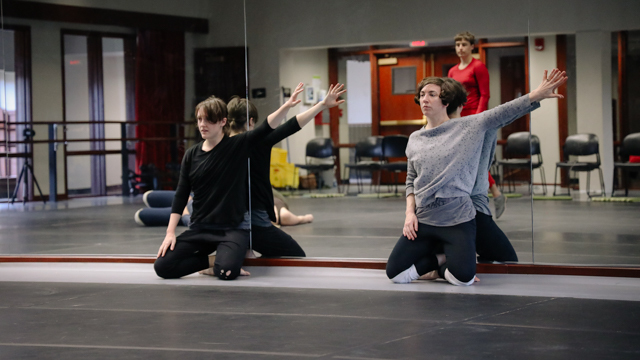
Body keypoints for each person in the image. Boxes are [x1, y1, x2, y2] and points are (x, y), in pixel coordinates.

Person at [385, 69, 567, 286]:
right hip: (424, 218)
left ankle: (441, 261)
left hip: (458, 216)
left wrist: (536, 95)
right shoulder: (415, 138)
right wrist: (409, 214)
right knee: (395, 274)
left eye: (431, 94)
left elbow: (503, 112)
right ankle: (439, 258)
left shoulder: (468, 127)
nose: (425, 98)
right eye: (422, 94)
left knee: (464, 279)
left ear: (445, 101)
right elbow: (411, 179)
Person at [198, 83, 344, 264]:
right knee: (296, 255)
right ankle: (229, 256)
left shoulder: (220, 145)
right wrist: (321, 105)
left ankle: (242, 250)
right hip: (255, 224)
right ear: (251, 121)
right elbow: (292, 125)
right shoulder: (258, 141)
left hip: (226, 222)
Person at [153, 93, 294, 281]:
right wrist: (170, 232)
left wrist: (287, 106)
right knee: (163, 267)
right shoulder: (191, 154)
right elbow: (181, 194)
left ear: (222, 121)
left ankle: (222, 262)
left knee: (226, 272)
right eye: (200, 119)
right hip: (201, 229)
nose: (203, 124)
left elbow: (266, 127)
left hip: (231, 230)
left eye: (209, 120)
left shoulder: (236, 146)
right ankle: (211, 261)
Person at [448, 31, 507, 218]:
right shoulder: (452, 71)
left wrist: (478, 119)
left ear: (472, 46)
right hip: (457, 118)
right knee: (463, 158)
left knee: (475, 158)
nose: (460, 48)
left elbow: (485, 94)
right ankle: (494, 193)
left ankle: (492, 194)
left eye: (464, 44)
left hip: (474, 116)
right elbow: (450, 96)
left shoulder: (478, 67)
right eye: (458, 45)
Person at [133, 188, 312, 228]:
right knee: (148, 197)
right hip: (204, 201)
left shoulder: (280, 211)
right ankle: (188, 204)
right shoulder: (261, 195)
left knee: (141, 213)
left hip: (204, 210)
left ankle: (186, 208)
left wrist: (305, 217)